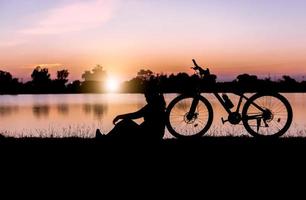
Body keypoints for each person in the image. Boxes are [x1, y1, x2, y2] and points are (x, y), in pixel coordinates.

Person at [96, 88, 166, 142]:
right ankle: (106, 138)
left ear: (152, 96)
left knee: (125, 123)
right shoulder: (159, 104)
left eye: (147, 97)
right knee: (125, 124)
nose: (146, 99)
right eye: (145, 97)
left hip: (150, 135)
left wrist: (119, 116)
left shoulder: (152, 106)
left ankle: (104, 139)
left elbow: (135, 115)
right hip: (154, 134)